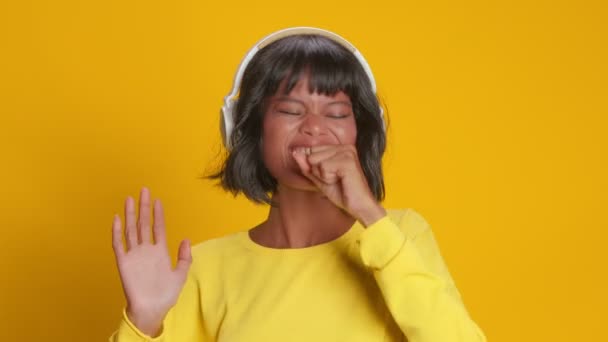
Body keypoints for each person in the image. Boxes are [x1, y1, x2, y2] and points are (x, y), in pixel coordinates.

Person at [109, 27, 487, 342]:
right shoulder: (203, 269)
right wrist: (143, 321)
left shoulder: (399, 235)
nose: (314, 127)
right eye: (290, 110)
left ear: (361, 133)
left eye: (337, 113)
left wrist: (370, 214)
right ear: (249, 129)